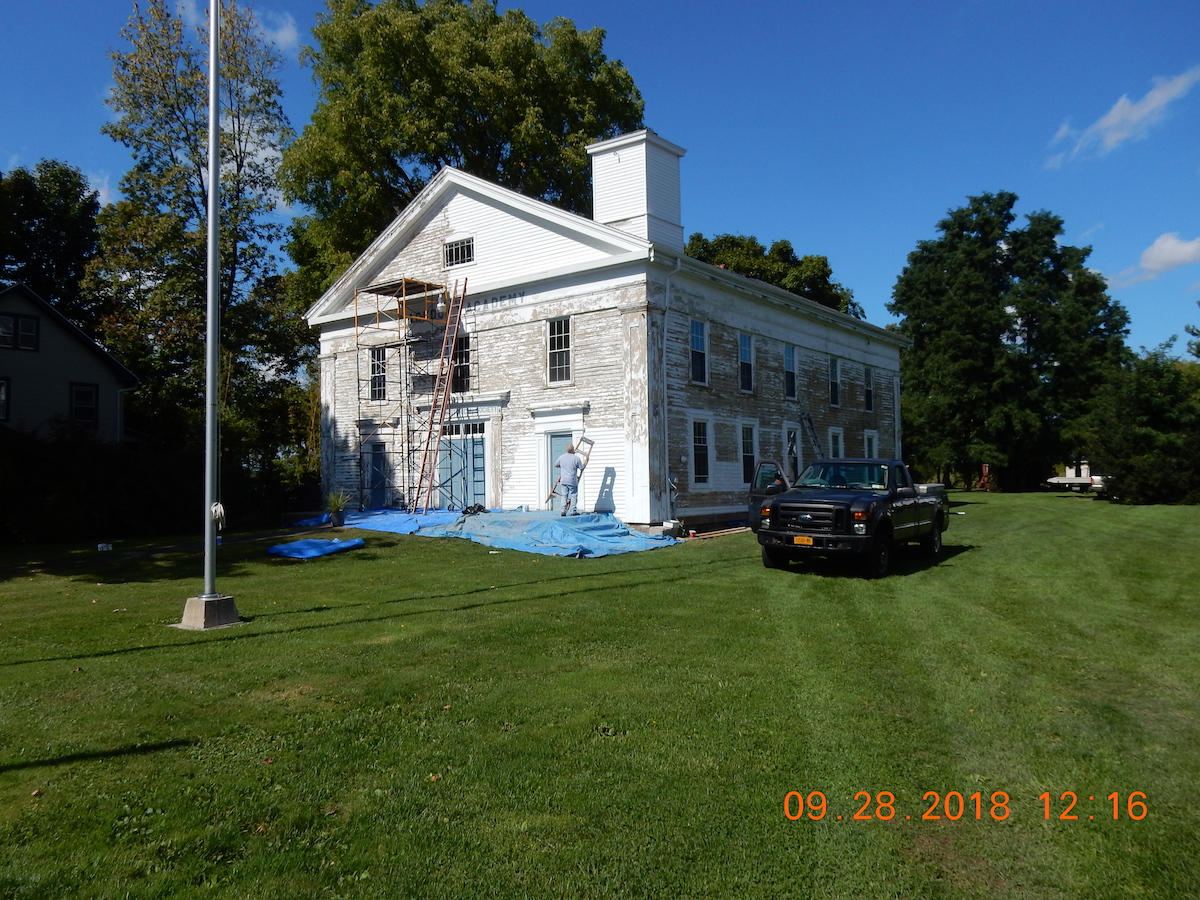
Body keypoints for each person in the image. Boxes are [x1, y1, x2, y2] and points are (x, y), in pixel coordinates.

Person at [554, 443, 585, 515]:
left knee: (564, 495)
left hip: (564, 480)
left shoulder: (562, 457)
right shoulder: (576, 458)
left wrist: (562, 467)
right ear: (573, 450)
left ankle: (563, 510)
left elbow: (555, 465)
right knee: (573, 495)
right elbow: (581, 467)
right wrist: (584, 464)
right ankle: (573, 510)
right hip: (572, 480)